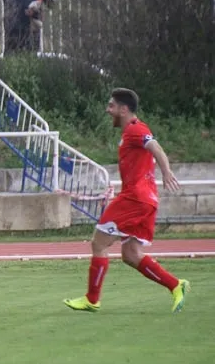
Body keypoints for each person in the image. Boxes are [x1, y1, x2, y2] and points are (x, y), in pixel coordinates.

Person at [64, 88, 189, 313]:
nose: (108, 109)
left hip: (135, 198)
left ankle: (92, 299)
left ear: (124, 109)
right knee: (130, 254)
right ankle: (175, 285)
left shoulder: (135, 130)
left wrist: (167, 171)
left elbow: (156, 147)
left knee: (99, 243)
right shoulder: (133, 131)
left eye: (111, 106)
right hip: (147, 200)